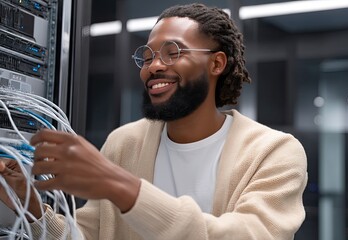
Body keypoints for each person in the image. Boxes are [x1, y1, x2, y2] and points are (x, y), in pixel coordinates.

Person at [0, 3, 308, 239]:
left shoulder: (274, 152)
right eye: (147, 57)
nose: (153, 67)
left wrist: (121, 187)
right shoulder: (125, 142)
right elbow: (87, 235)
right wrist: (30, 206)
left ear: (216, 63)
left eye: (173, 52)